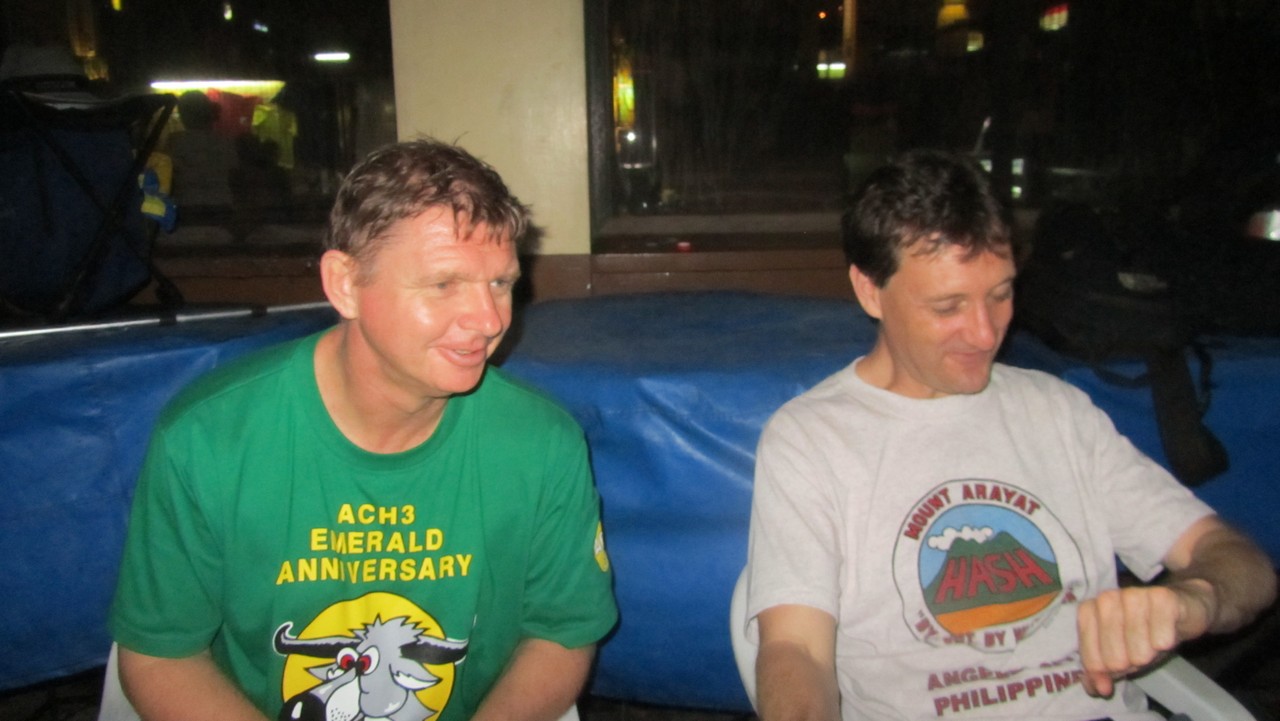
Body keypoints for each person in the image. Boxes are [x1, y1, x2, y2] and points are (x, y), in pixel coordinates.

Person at [743, 149, 1276, 721]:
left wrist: (1193, 599)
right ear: (870, 290)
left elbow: (1240, 564)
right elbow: (796, 651)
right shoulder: (812, 439)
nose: (985, 333)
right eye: (948, 306)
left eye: (1000, 294)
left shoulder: (1056, 413)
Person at [109, 138, 619, 721]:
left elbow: (561, 634)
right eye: (444, 284)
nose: (488, 320)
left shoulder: (542, 443)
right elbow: (160, 657)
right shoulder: (208, 437)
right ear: (345, 284)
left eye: (501, 283)